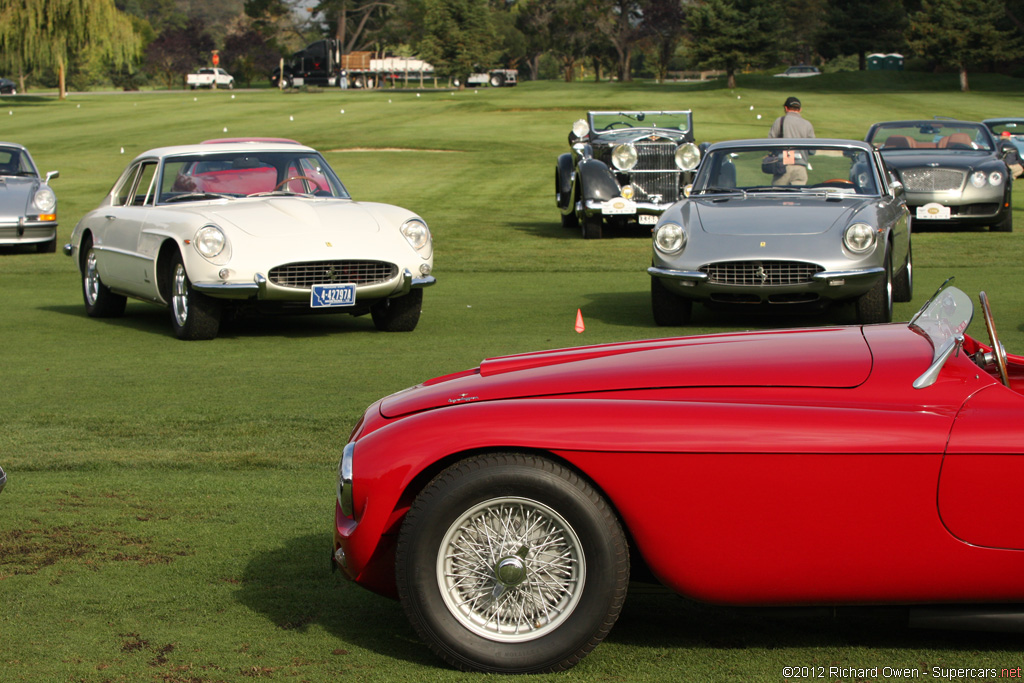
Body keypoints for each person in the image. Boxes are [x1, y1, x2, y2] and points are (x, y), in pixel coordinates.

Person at [767, 96, 815, 186]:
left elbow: (770, 145)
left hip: (782, 168)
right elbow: (812, 151)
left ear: (786, 108)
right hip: (800, 168)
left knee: (778, 197)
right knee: (797, 198)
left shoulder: (779, 121)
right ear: (800, 109)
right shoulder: (807, 125)